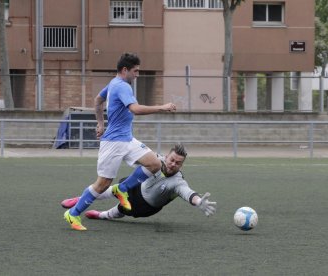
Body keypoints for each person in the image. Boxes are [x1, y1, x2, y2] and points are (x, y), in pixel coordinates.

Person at [64, 53, 177, 230]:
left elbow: (98, 100)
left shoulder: (113, 83)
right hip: (114, 143)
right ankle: (73, 214)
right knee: (102, 185)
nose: (137, 75)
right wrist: (162, 107)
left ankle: (121, 188)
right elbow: (135, 109)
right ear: (125, 70)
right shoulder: (122, 86)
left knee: (155, 164)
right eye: (136, 71)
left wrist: (100, 123)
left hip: (127, 140)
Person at [62, 144, 217, 221]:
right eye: (172, 160)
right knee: (118, 187)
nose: (173, 164)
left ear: (181, 165)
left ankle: (101, 215)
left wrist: (198, 202)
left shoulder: (178, 182)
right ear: (167, 156)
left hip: (146, 206)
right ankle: (80, 200)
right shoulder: (157, 160)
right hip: (136, 189)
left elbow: (188, 193)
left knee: (121, 210)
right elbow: (136, 153)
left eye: (178, 163)